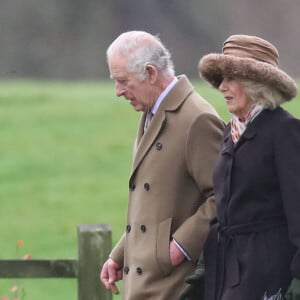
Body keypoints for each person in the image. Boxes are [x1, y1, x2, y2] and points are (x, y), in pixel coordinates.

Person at [99, 30, 225, 299]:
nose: (118, 91)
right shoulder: (150, 112)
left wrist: (180, 247)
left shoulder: (197, 119)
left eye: (122, 81)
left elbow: (224, 195)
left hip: (174, 287)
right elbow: (152, 205)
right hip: (145, 284)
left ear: (150, 73)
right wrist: (120, 255)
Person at [180, 34, 300, 300]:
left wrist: (299, 281)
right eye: (221, 78)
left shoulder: (284, 130)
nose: (222, 86)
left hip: (267, 274)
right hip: (225, 270)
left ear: (255, 83)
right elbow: (223, 206)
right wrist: (205, 264)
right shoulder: (229, 132)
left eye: (230, 78)